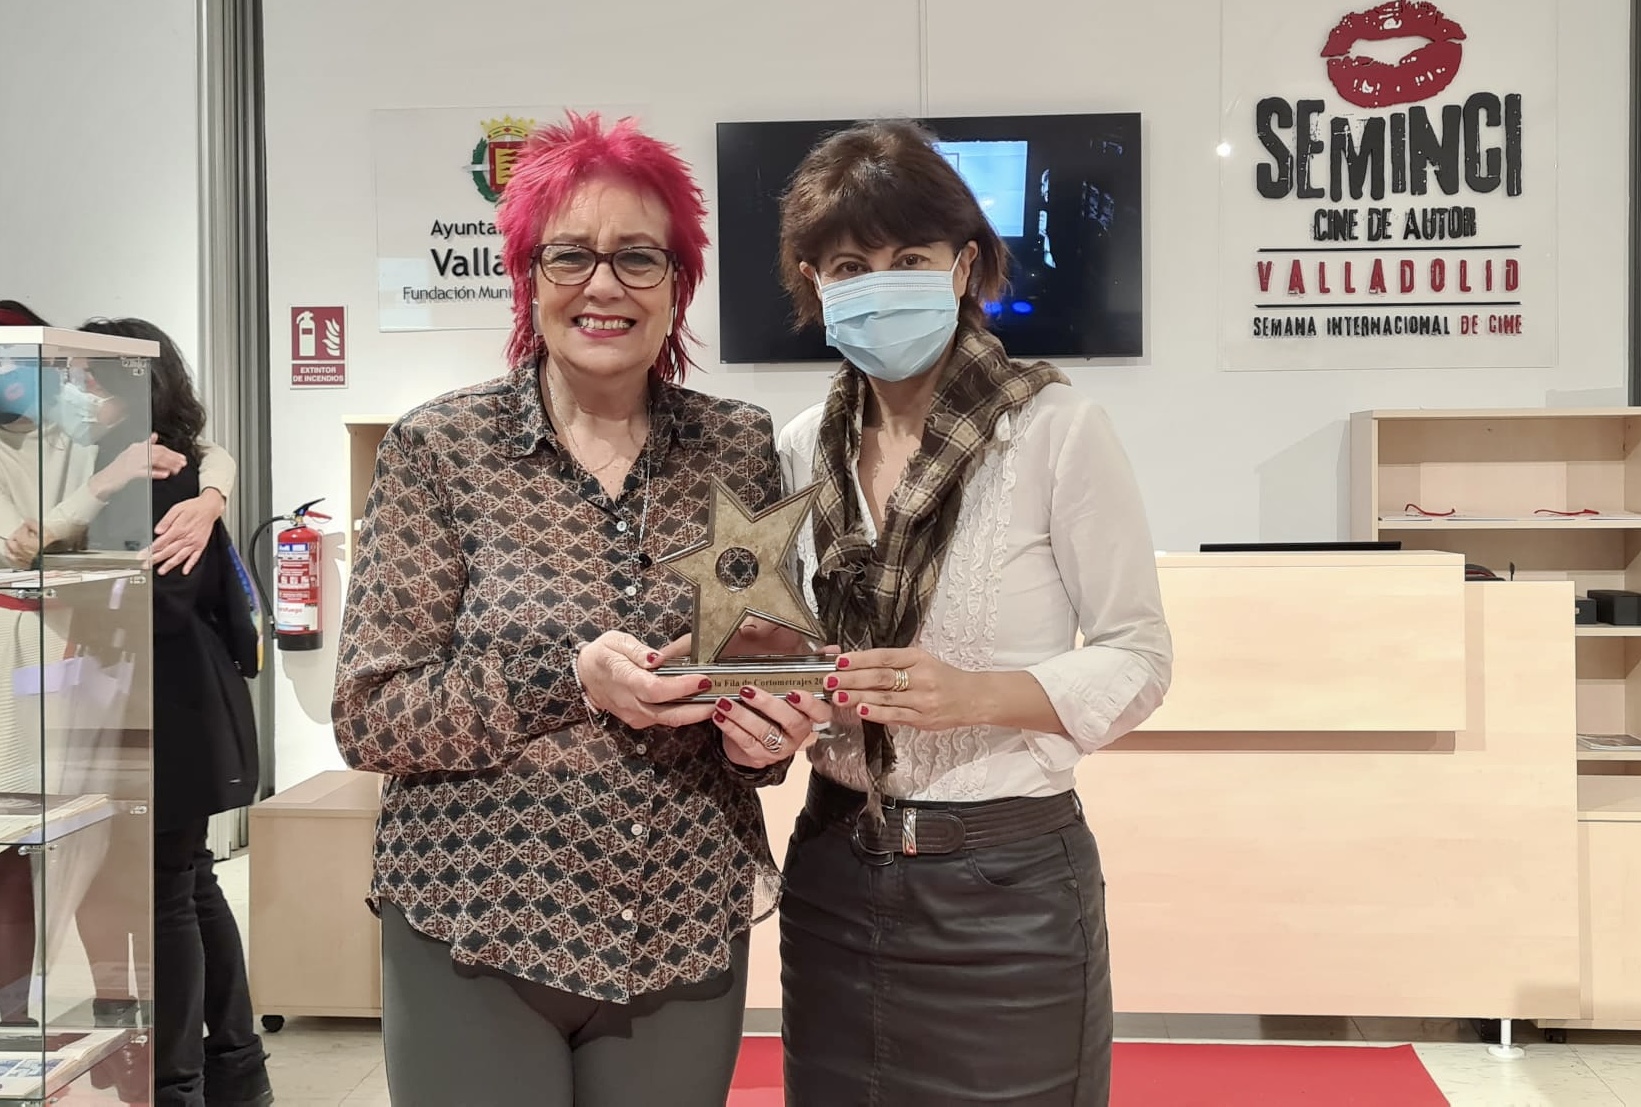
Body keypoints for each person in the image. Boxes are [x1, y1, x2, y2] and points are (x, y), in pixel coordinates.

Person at [331, 111, 826, 1107]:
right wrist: (572, 678)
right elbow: (370, 712)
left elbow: (759, 668)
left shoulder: (735, 446)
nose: (604, 285)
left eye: (638, 258)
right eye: (571, 255)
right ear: (527, 276)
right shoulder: (442, 450)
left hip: (681, 918)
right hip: (474, 927)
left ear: (678, 285)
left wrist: (766, 735)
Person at [763, 120, 1173, 1106]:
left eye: (910, 257)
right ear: (815, 282)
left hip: (1008, 896)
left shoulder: (1055, 431)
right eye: (850, 265)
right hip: (833, 874)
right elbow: (780, 644)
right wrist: (785, 692)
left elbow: (1139, 655)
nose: (880, 283)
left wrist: (977, 694)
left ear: (964, 266)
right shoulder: (800, 449)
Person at [76, 317, 272, 1107]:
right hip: (190, 705)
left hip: (166, 709)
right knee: (191, 884)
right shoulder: (184, 463)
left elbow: (154, 603)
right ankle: (234, 1069)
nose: (73, 392)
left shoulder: (148, 472)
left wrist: (78, 587)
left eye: (84, 377)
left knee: (169, 895)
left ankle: (179, 1084)